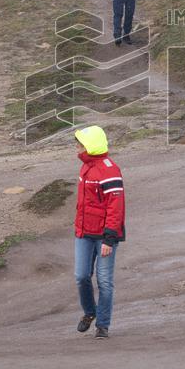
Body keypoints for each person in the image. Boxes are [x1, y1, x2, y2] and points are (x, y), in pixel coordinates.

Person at [72, 125, 126, 339]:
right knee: (81, 276)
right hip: (84, 232)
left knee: (104, 281)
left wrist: (109, 238)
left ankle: (102, 325)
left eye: (80, 143)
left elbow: (116, 207)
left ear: (90, 145)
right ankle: (89, 312)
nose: (77, 146)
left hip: (104, 236)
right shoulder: (85, 167)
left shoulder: (110, 170)